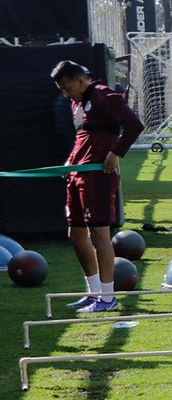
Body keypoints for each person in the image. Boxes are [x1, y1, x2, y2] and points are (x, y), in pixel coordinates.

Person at [50, 60, 142, 315]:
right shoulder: (75, 103)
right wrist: (70, 163)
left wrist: (115, 154)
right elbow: (83, 138)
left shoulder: (104, 95)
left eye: (68, 88)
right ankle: (93, 293)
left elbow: (134, 125)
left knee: (98, 235)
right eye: (63, 90)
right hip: (77, 175)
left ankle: (108, 297)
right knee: (76, 235)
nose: (66, 94)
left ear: (81, 81)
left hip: (98, 176)